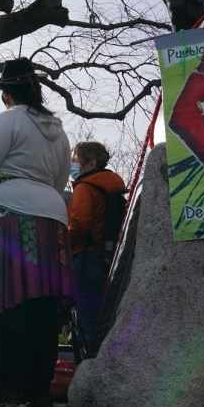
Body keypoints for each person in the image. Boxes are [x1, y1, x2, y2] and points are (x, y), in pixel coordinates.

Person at [0, 58, 73, 407]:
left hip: (7, 216)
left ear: (6, 94)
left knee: (2, 304)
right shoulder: (58, 130)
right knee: (41, 309)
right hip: (51, 218)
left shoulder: (8, 121)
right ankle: (37, 394)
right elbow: (59, 180)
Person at [67, 141, 126, 357]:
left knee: (88, 318)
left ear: (90, 163)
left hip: (85, 258)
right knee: (105, 316)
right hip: (107, 258)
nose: (73, 165)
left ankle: (93, 362)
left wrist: (63, 243)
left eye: (76, 160)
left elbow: (79, 225)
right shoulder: (112, 187)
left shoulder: (85, 188)